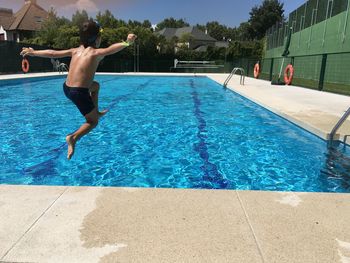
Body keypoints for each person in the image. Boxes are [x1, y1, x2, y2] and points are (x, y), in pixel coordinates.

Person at [20, 20, 137, 160]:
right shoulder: (96, 53)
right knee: (92, 122)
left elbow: (52, 53)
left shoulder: (74, 50)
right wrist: (127, 42)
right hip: (78, 92)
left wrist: (34, 52)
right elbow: (113, 49)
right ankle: (73, 138)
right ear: (97, 39)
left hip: (66, 88)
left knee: (96, 86)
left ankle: (96, 112)